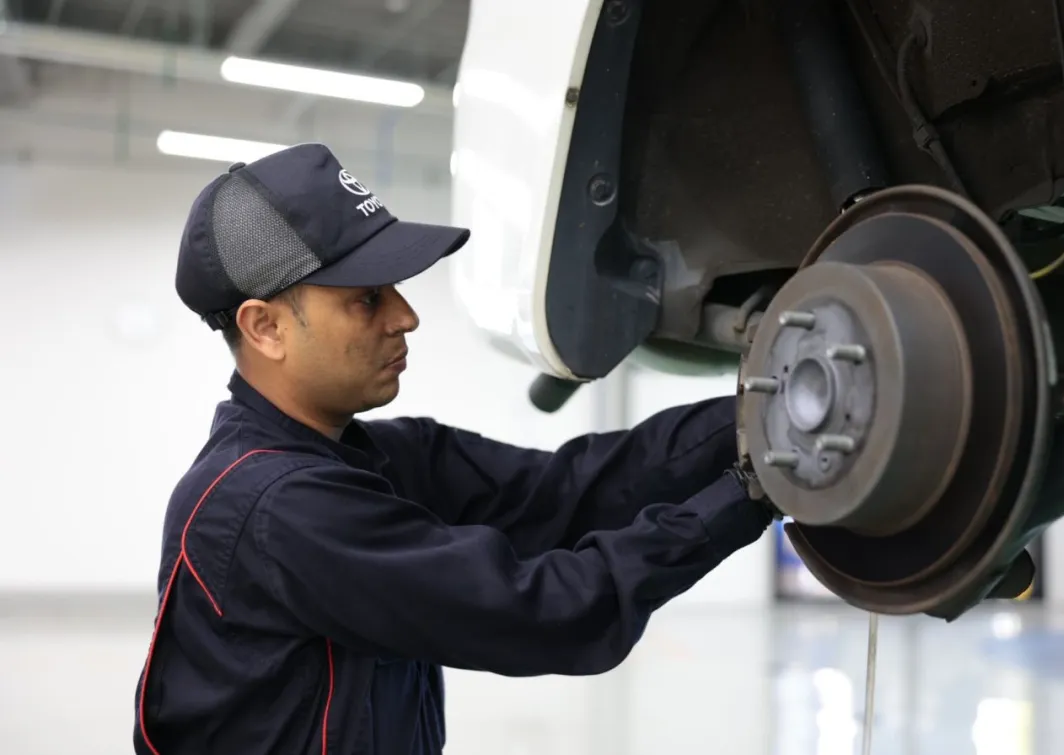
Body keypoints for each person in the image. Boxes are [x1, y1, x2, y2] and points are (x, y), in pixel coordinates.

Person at [132, 142, 775, 755]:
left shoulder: (380, 462)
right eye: (367, 298)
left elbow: (577, 488)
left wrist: (758, 417)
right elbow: (550, 611)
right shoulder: (275, 507)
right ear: (265, 327)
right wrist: (751, 491)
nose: (405, 315)